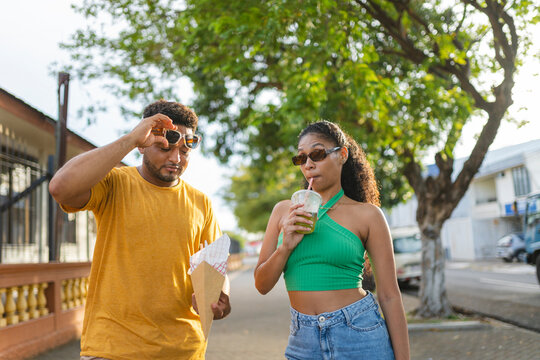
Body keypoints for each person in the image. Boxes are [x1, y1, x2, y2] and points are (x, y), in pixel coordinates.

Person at [49, 100, 231, 360]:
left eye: (184, 151)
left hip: (184, 350)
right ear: (144, 145)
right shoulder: (114, 184)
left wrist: (222, 295)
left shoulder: (200, 202)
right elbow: (60, 188)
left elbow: (216, 264)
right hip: (113, 349)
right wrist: (131, 138)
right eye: (164, 147)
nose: (175, 158)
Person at [254, 120, 410, 359]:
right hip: (302, 341)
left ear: (342, 154)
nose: (308, 164)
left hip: (360, 334)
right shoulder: (283, 212)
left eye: (317, 154)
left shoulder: (368, 215)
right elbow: (261, 285)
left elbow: (389, 295)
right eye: (301, 158)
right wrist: (285, 246)